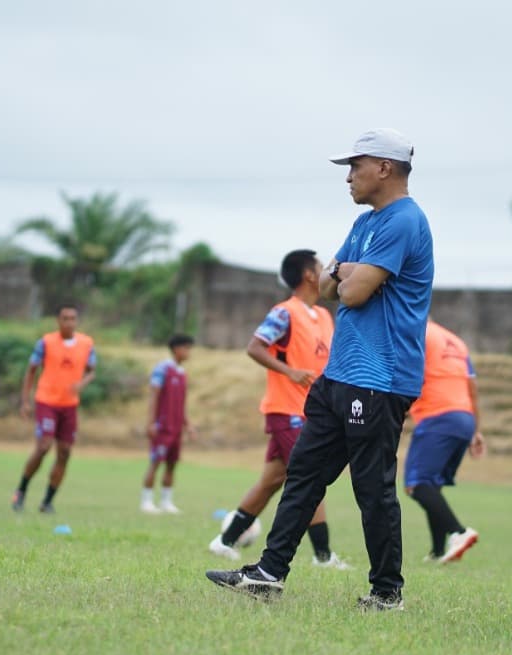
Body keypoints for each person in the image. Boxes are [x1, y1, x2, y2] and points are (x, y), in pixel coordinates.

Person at [207, 127, 434, 611]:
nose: (348, 176)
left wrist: (349, 276)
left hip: (379, 379)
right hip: (340, 376)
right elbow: (334, 288)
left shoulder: (403, 221)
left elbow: (348, 292)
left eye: (355, 166)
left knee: (371, 488)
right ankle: (269, 573)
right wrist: (348, 274)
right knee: (304, 473)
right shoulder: (365, 224)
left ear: (384, 168)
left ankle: (386, 592)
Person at [208, 250, 349, 570]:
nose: (326, 267)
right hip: (286, 410)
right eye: (319, 264)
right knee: (310, 475)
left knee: (272, 480)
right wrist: (289, 373)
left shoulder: (325, 317)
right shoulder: (284, 313)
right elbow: (255, 346)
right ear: (310, 276)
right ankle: (323, 556)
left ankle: (225, 541)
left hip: (311, 412)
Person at [404, 319, 484, 563]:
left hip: (437, 416)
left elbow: (406, 375)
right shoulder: (456, 341)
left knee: (416, 484)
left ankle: (458, 532)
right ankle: (438, 551)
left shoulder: (415, 333)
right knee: (432, 484)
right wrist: (475, 431)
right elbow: (471, 389)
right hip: (464, 418)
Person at [12, 304, 96, 514]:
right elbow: (31, 371)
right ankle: (21, 490)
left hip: (70, 405)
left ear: (77, 321)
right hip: (47, 401)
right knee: (43, 446)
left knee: (65, 452)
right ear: (58, 321)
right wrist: (25, 401)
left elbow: (91, 370)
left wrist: (82, 384)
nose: (69, 322)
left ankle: (47, 501)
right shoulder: (46, 342)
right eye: (65, 318)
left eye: (73, 318)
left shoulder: (87, 344)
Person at [140, 334, 195, 514]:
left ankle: (166, 502)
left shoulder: (182, 373)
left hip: (176, 427)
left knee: (172, 464)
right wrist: (151, 422)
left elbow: (181, 402)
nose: (188, 352)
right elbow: (154, 396)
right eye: (186, 348)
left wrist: (188, 425)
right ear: (176, 349)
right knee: (156, 462)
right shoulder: (163, 369)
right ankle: (146, 501)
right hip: (162, 425)